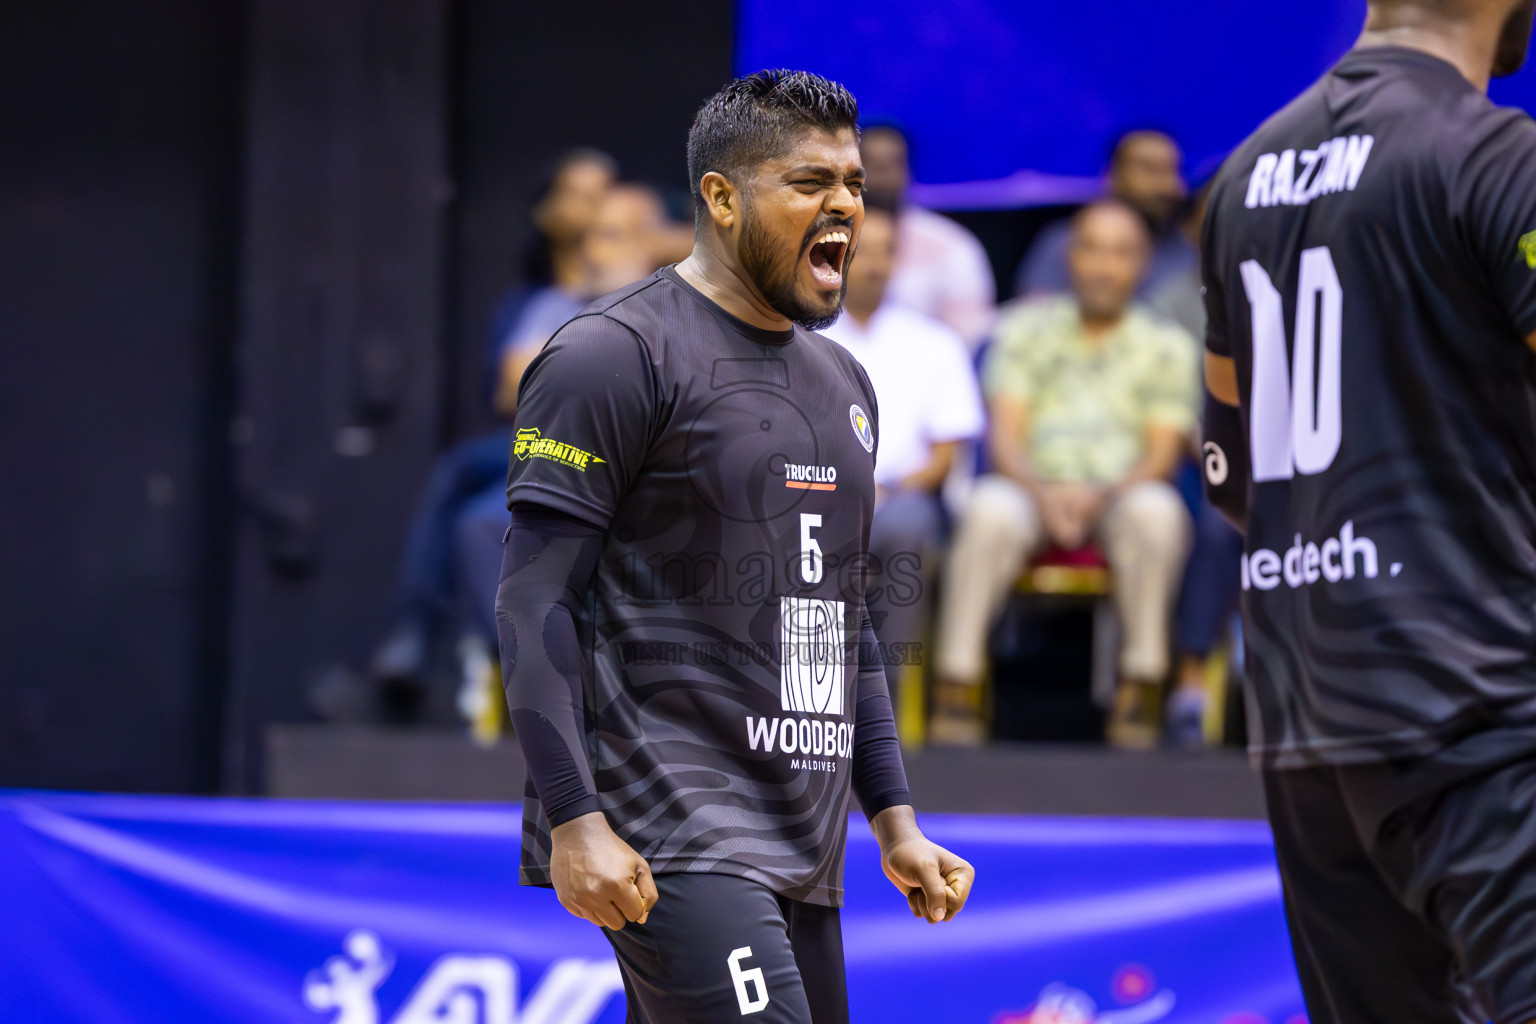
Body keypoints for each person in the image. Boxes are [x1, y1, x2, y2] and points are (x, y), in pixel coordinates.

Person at [494, 70, 974, 1024]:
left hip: (801, 834)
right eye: (809, 182)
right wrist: (574, 823)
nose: (844, 204)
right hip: (665, 822)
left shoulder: (845, 383)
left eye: (854, 186)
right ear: (720, 197)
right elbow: (531, 601)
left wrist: (894, 817)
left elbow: (841, 622)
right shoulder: (612, 353)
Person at [1201, 1, 1536, 1019]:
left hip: (1307, 719)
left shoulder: (1241, 173)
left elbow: (1229, 470)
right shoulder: (1494, 152)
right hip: (1478, 690)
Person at [933, 199, 1198, 748]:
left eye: (1121, 253)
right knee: (988, 509)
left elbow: (1162, 452)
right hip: (1031, 485)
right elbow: (1004, 435)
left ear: (1143, 263)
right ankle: (956, 683)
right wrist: (1045, 492)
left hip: (1121, 490)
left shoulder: (1167, 346)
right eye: (1093, 250)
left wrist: (1098, 496)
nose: (1105, 266)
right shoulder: (1025, 331)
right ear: (1070, 257)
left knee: (1158, 511)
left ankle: (1138, 683)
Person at [821, 193, 986, 695]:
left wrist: (885, 489)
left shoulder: (935, 343)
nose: (874, 264)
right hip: (819, 491)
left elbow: (944, 457)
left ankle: (889, 697)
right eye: (864, 250)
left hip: (904, 497)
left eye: (886, 252)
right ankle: (814, 693)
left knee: (907, 525)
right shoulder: (802, 336)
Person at [858, 123, 996, 347]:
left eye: (891, 164)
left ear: (908, 171)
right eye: (870, 164)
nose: (880, 177)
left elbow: (973, 337)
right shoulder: (819, 240)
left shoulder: (951, 244)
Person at [1014, 130, 1192, 302]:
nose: (1165, 184)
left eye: (1173, 170)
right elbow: (1031, 317)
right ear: (1112, 175)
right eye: (1149, 169)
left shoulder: (1188, 252)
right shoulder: (1066, 240)